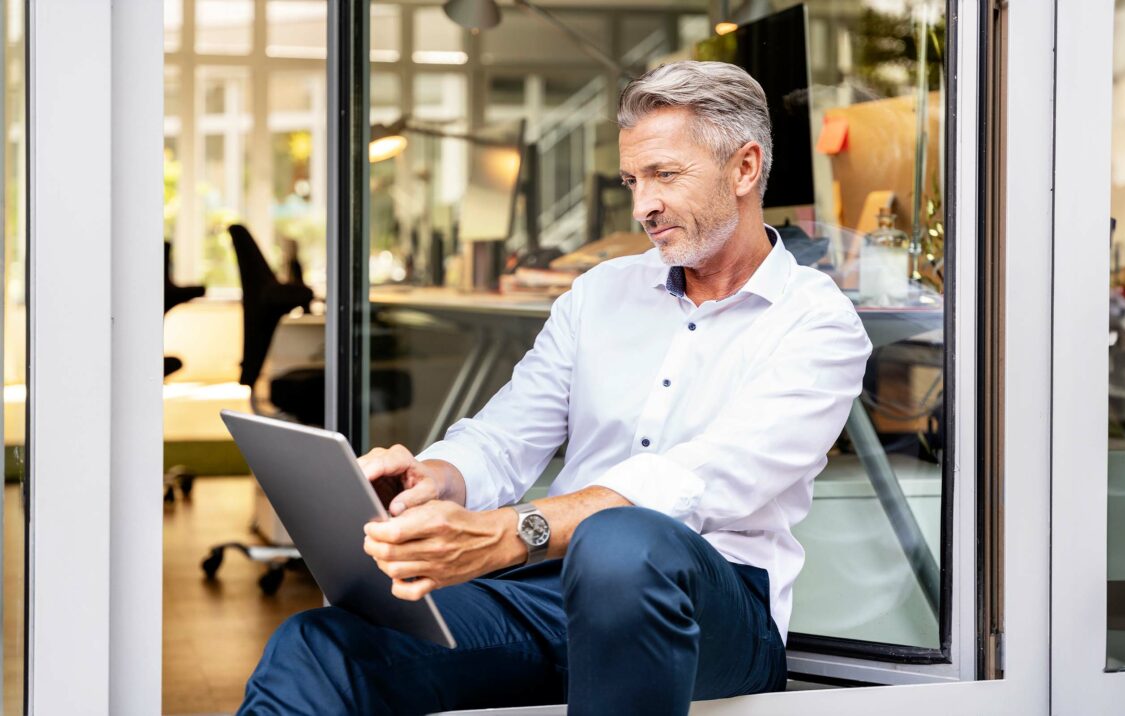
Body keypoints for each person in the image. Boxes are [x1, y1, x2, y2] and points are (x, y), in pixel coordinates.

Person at [239, 60, 872, 716]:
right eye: (632, 180)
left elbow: (700, 480)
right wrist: (435, 477)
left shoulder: (816, 322)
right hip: (553, 591)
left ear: (744, 169)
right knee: (318, 644)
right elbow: (508, 433)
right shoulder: (599, 293)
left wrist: (514, 530)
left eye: (665, 175)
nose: (642, 206)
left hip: (717, 609)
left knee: (622, 543)